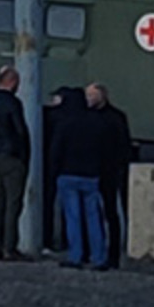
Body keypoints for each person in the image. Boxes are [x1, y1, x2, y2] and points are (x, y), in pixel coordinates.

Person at [51, 88, 111, 271]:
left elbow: (56, 151)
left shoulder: (65, 124)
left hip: (68, 173)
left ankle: (75, 255)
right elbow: (104, 150)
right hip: (91, 175)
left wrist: (54, 171)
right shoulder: (96, 123)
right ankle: (99, 257)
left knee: (73, 217)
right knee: (94, 217)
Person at [0, 66, 30, 261]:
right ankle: (10, 246)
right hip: (11, 156)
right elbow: (19, 131)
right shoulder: (13, 104)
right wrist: (23, 156)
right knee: (13, 204)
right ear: (12, 82)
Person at [88, 83, 133, 269]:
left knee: (110, 212)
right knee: (103, 212)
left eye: (92, 95)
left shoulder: (112, 118)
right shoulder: (113, 117)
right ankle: (101, 252)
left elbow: (123, 145)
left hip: (108, 170)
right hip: (100, 169)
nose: (89, 99)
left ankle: (112, 254)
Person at [43, 87, 85, 251]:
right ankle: (71, 241)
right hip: (74, 166)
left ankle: (46, 238)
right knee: (74, 209)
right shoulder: (82, 118)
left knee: (48, 202)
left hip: (51, 164)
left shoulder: (51, 117)